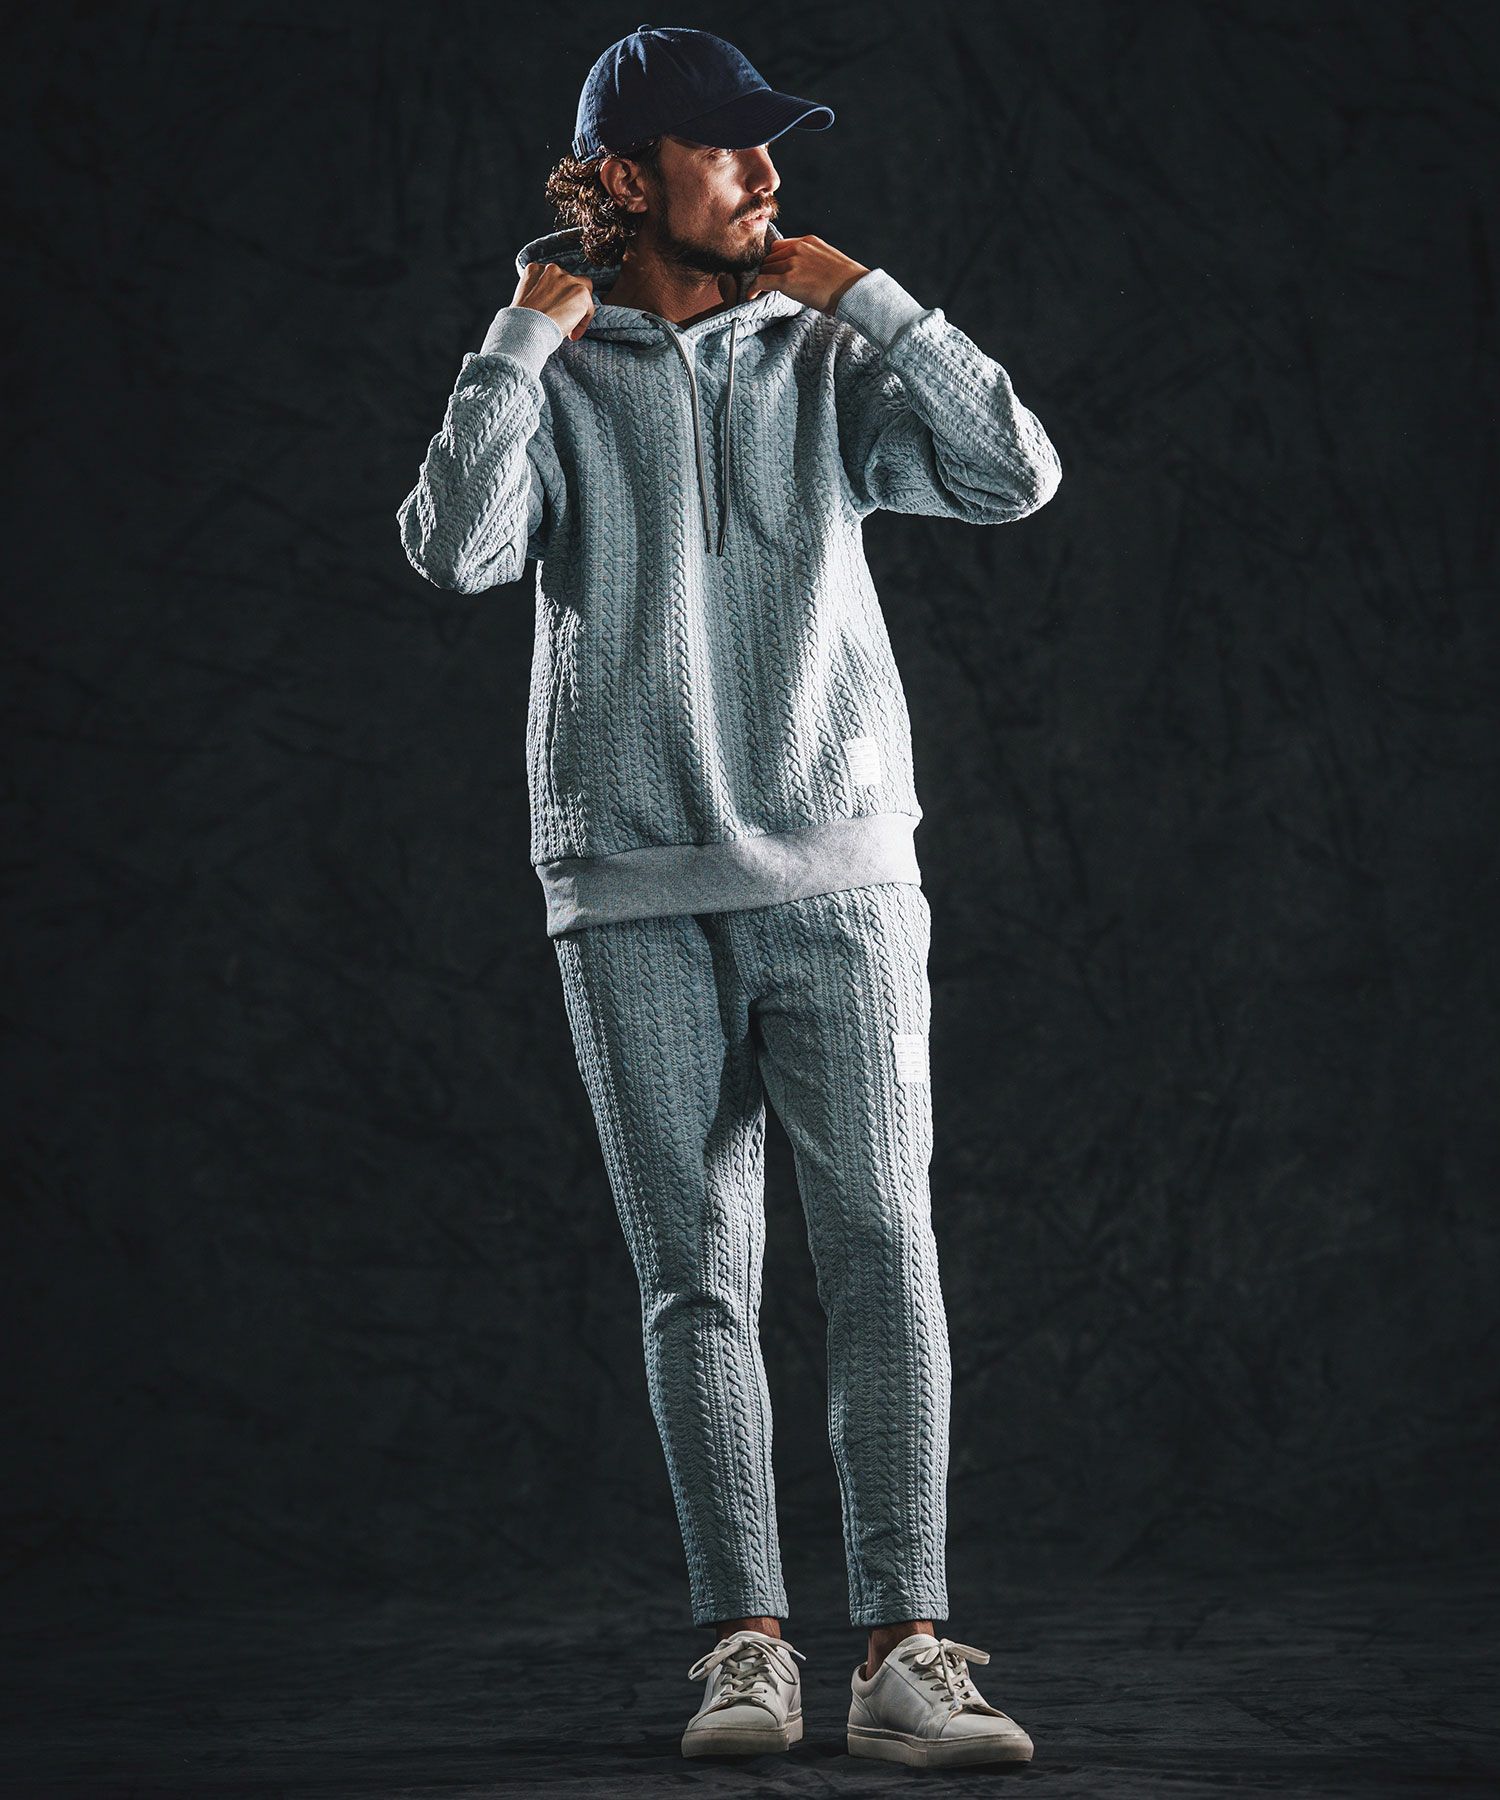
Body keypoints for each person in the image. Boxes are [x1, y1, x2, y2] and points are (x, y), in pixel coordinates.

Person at [397, 23, 1060, 1770]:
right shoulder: (555, 373)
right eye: (727, 147)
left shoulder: (823, 354)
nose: (768, 176)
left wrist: (879, 304)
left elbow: (1017, 474)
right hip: (626, 889)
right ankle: (746, 1645)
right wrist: (513, 348)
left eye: (772, 145)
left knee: (883, 1255)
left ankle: (905, 1650)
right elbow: (453, 549)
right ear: (627, 177)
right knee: (694, 1277)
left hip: (843, 877)